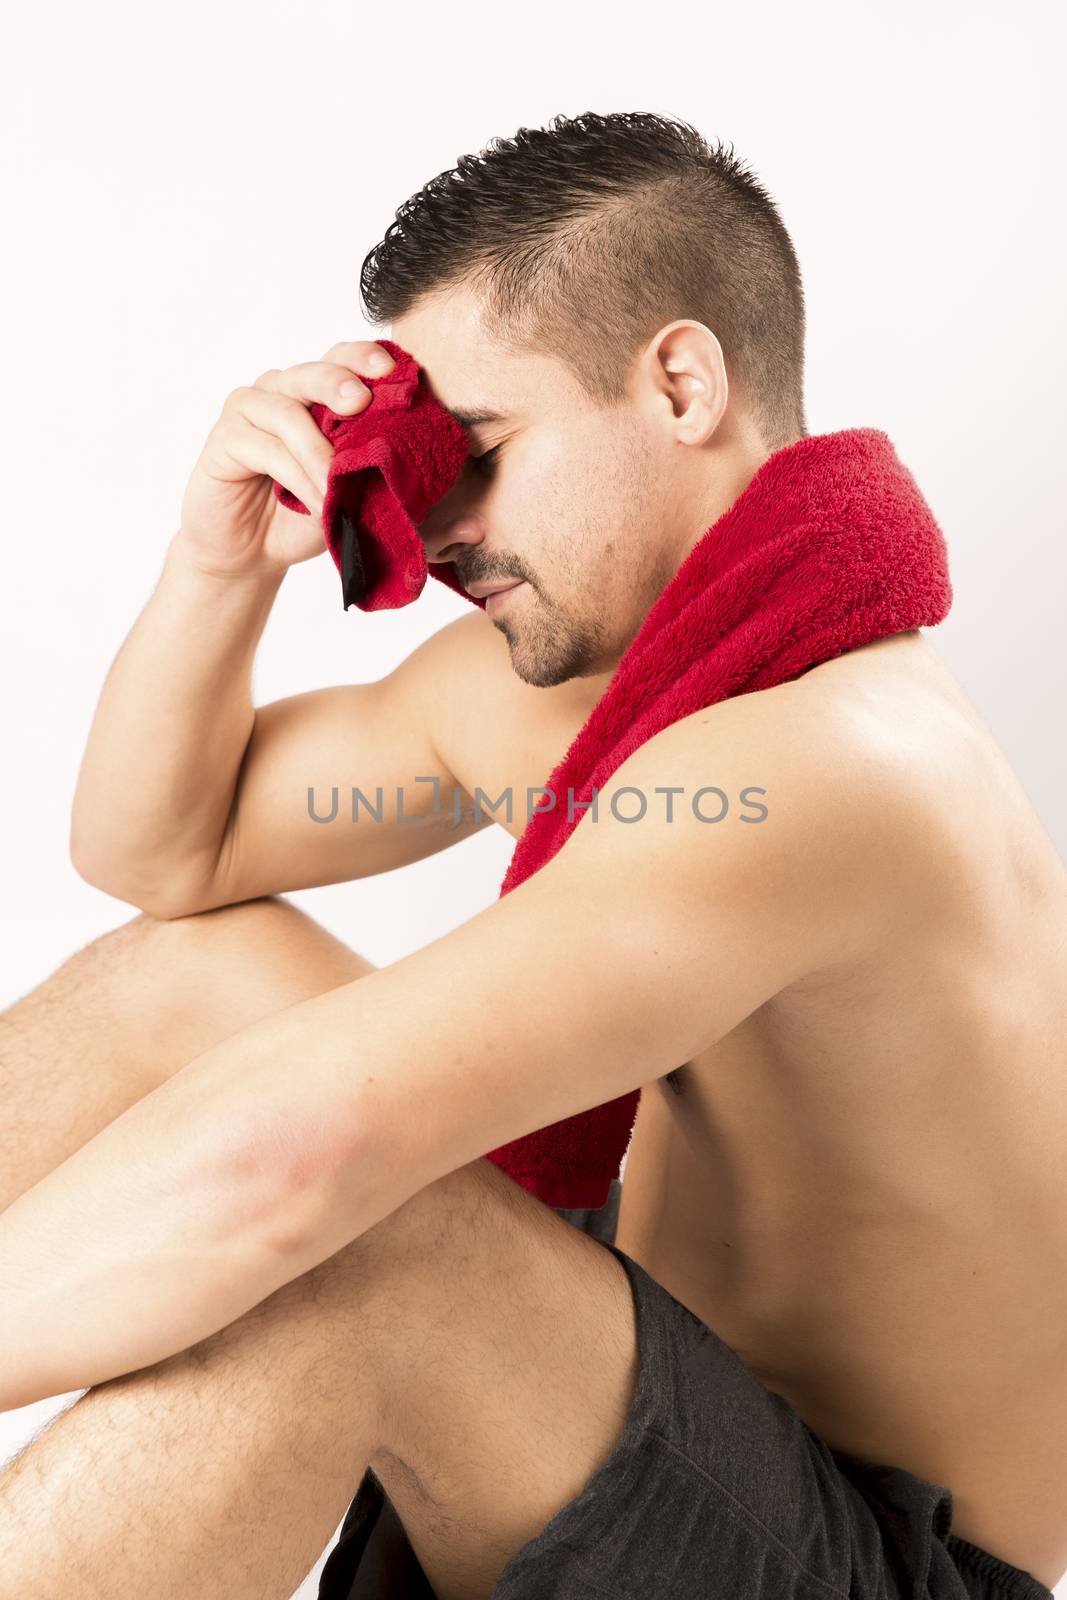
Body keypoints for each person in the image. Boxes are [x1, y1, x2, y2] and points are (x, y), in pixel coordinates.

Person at [1, 112, 1064, 1600]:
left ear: (681, 383)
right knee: (207, 968)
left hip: (875, 1561)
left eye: (481, 450)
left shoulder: (836, 768)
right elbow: (166, 852)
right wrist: (217, 565)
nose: (438, 528)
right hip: (622, 1437)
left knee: (378, 1236)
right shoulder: (550, 702)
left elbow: (290, 1153)